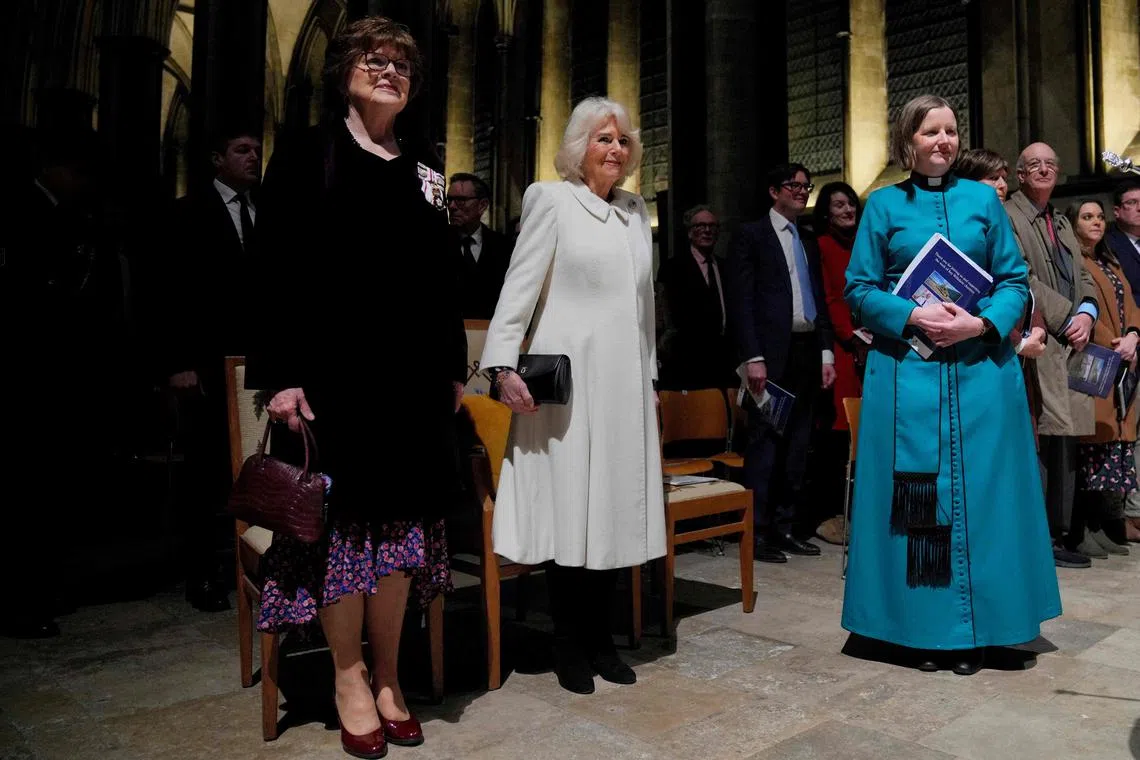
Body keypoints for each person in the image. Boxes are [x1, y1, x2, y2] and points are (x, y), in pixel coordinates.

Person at [245, 18, 463, 758]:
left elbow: (440, 280)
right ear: (344, 71)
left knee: (399, 537)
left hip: (410, 386)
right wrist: (278, 376)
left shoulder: (425, 164)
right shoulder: (309, 152)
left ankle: (393, 677)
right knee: (344, 535)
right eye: (375, 61)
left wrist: (453, 370)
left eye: (402, 63)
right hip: (331, 382)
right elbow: (272, 269)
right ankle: (348, 676)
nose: (390, 72)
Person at [841, 94, 1060, 676]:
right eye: (930, 131)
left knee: (986, 498)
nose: (943, 141)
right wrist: (911, 316)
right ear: (908, 140)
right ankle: (926, 632)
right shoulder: (883, 206)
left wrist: (981, 322)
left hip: (980, 375)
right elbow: (858, 290)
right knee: (923, 503)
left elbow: (1015, 280)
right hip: (906, 374)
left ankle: (987, 629)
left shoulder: (982, 204)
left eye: (951, 131)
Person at [479, 96, 664, 695]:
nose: (615, 148)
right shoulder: (551, 199)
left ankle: (601, 638)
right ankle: (567, 642)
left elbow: (645, 309)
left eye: (622, 140)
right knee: (569, 508)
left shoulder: (637, 212)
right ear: (579, 146)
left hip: (624, 384)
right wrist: (501, 366)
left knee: (611, 509)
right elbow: (519, 285)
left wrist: (652, 378)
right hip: (567, 384)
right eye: (602, 138)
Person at [150, 127, 263, 613]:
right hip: (205, 363)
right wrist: (176, 363)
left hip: (256, 363)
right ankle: (203, 572)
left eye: (257, 150)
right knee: (206, 472)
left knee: (258, 466)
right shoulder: (186, 212)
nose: (253, 157)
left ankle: (256, 564)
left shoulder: (265, 212)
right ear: (217, 158)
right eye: (242, 150)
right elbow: (168, 294)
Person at [726, 164, 836, 563]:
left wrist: (826, 352)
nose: (802, 192)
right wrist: (752, 357)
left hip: (806, 351)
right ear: (774, 191)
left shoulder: (806, 240)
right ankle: (757, 534)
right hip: (770, 357)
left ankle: (786, 528)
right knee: (766, 445)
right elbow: (742, 301)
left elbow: (818, 298)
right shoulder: (750, 235)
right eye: (794, 185)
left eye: (807, 187)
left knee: (798, 447)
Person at [1005, 141, 1100, 568]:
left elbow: (1081, 273)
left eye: (1050, 164)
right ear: (1020, 175)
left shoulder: (1061, 222)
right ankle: (1041, 535)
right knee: (1044, 435)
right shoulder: (1010, 216)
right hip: (1041, 335)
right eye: (1033, 165)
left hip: (1071, 338)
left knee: (1068, 438)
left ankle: (1062, 532)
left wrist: (1088, 310)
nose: (1044, 170)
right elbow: (1021, 276)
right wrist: (1067, 318)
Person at [956, 148, 1048, 442]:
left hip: (1013, 356)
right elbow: (971, 296)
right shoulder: (961, 228)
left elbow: (1021, 284)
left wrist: (1037, 330)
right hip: (979, 354)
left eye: (1003, 178)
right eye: (991, 178)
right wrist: (1017, 343)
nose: (1001, 185)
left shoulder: (1001, 224)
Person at [1065, 199, 1138, 557]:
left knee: (1110, 445)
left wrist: (1135, 334)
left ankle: (1101, 523)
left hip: (1122, 360)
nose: (1096, 222)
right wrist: (1114, 340)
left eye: (1099, 217)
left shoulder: (1109, 259)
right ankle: (1082, 527)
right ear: (1072, 223)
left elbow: (1131, 303)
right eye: (1087, 217)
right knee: (1090, 443)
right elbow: (1081, 306)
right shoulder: (1074, 260)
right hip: (1096, 360)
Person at [812, 182, 864, 544]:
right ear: (826, 213)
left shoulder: (865, 242)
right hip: (844, 348)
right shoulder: (822, 246)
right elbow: (829, 298)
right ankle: (832, 515)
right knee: (840, 434)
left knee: (865, 435)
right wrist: (851, 335)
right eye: (839, 205)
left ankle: (859, 513)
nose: (848, 210)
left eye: (851, 204)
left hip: (873, 342)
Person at [657, 204, 735, 390]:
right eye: (700, 226)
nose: (707, 230)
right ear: (690, 232)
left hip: (723, 366)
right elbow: (667, 319)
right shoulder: (673, 268)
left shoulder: (726, 268)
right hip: (687, 367)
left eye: (712, 226)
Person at [448, 172, 514, 319]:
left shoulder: (504, 248)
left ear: (482, 205)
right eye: (449, 199)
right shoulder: (433, 244)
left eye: (460, 200)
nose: (452, 206)